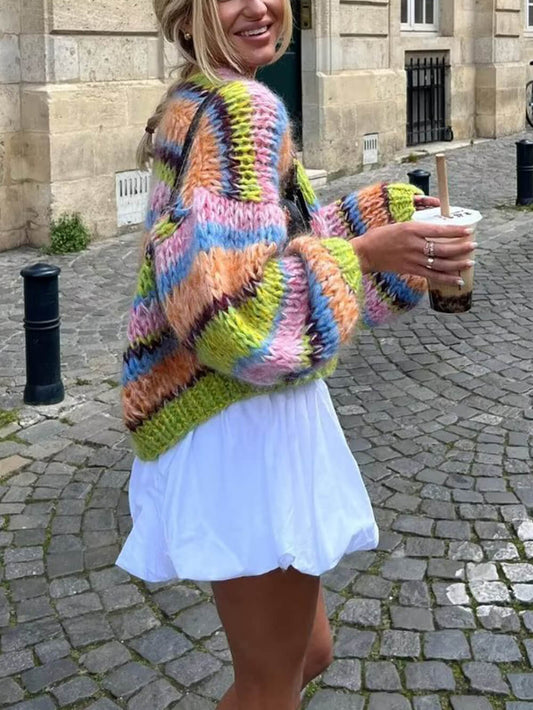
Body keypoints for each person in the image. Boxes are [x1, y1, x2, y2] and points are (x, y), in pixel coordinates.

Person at [116, 1, 475, 708]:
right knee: (270, 684)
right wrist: (366, 254)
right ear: (189, 15)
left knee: (307, 654)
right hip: (242, 423)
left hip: (232, 418)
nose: (259, 6)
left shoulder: (198, 99)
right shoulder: (238, 110)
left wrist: (382, 220)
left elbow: (254, 253)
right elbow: (233, 316)